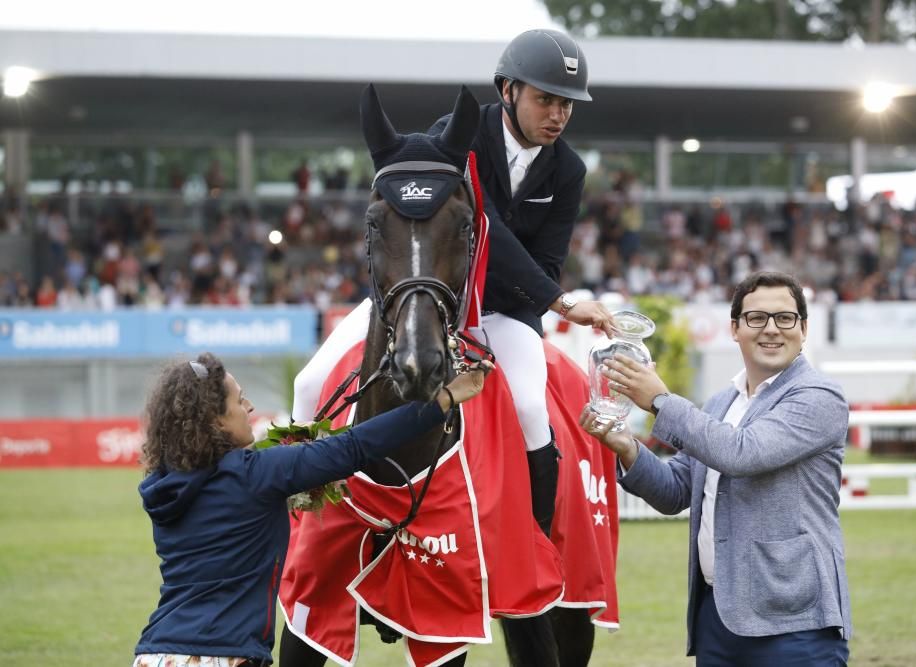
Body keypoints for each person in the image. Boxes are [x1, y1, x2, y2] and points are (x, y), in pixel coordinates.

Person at [133, 352, 492, 667]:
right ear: (216, 423)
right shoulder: (255, 475)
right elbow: (355, 447)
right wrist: (445, 398)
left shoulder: (164, 488)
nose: (250, 408)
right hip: (221, 656)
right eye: (239, 402)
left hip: (155, 653)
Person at [581, 271, 852, 666]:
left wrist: (660, 399)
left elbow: (741, 453)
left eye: (785, 318)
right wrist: (626, 446)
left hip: (794, 619)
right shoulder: (721, 402)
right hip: (718, 618)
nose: (772, 329)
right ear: (735, 329)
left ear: (804, 329)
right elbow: (676, 490)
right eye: (757, 318)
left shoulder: (818, 396)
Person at [429, 28, 616, 536]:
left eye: (567, 105)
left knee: (534, 409)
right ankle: (311, 512)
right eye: (546, 100)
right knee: (314, 382)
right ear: (507, 90)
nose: (558, 115)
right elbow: (481, 222)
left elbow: (549, 259)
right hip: (429, 300)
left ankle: (535, 538)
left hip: (503, 314)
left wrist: (545, 296)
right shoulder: (458, 134)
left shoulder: (569, 170)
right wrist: (560, 301)